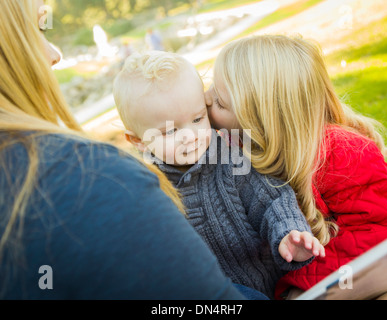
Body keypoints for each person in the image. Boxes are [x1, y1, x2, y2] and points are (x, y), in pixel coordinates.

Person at [0, 0, 259, 300]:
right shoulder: (91, 181)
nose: (55, 54)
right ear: (136, 139)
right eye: (35, 29)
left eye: (198, 117)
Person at [113, 50, 325, 299]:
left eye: (197, 118)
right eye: (169, 132)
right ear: (138, 140)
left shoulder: (231, 158)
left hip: (270, 288)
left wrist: (288, 234)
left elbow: (272, 201)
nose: (190, 136)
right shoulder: (143, 188)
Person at [205, 34, 387, 299]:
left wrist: (304, 285)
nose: (205, 99)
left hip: (368, 264)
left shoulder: (342, 154)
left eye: (220, 103)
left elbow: (376, 235)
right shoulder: (241, 145)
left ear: (265, 119)